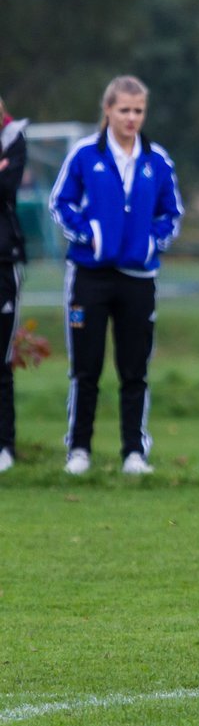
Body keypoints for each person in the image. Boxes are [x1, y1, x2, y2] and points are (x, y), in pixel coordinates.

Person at [49, 75, 183, 476]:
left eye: (138, 110)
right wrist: (89, 234)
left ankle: (134, 452)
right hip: (89, 277)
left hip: (138, 279)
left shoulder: (157, 160)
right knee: (86, 367)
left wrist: (149, 243)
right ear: (107, 110)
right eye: (123, 110)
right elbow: (61, 202)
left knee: (134, 369)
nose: (131, 118)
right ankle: (79, 450)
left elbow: (171, 214)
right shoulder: (85, 154)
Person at [0, 93, 28, 473]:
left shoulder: (14, 138)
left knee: (1, 359)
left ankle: (4, 446)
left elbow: (6, 189)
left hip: (4, 262)